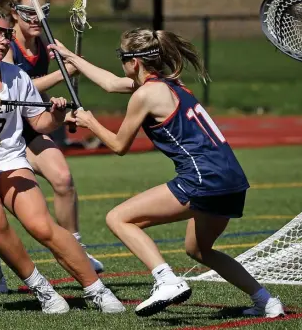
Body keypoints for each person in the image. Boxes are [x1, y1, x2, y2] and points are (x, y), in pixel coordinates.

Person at [47, 28, 285, 318]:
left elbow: (119, 145)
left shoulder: (145, 94)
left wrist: (90, 122)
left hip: (202, 178)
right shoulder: (171, 84)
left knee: (118, 218)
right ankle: (267, 301)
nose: (120, 63)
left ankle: (166, 279)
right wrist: (69, 56)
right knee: (199, 250)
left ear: (134, 62)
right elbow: (110, 84)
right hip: (232, 179)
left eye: (121, 57)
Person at [0, 0, 125, 314]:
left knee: (42, 227)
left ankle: (97, 290)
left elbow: (38, 123)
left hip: (10, 160)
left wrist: (54, 116)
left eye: (7, 34)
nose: (3, 41)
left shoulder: (17, 77)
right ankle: (43, 289)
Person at [0, 0, 104, 294]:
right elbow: (17, 87)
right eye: (29, 12)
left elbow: (36, 95)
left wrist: (61, 113)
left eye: (43, 12)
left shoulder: (43, 45)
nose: (36, 18)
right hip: (2, 134)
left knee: (62, 178)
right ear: (14, 15)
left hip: (29, 128)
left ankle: (75, 248)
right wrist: (64, 72)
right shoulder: (6, 46)